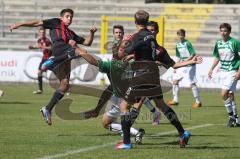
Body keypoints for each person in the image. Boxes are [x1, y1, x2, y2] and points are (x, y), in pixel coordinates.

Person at [76, 10, 202, 150]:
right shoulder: (156, 45)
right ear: (148, 23)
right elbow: (174, 65)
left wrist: (125, 43)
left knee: (124, 106)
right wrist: (192, 61)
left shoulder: (136, 37)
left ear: (135, 22)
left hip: (141, 74)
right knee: (161, 105)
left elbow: (120, 54)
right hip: (154, 75)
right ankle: (183, 132)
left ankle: (126, 142)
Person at [10, 8, 97, 125]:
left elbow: (87, 42)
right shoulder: (56, 22)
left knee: (65, 85)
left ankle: (47, 109)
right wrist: (20, 24)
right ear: (61, 17)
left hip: (65, 58)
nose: (69, 19)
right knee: (81, 51)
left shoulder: (71, 33)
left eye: (71, 17)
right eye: (67, 16)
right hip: (59, 50)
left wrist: (91, 33)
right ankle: (100, 65)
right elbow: (37, 23)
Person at [84, 25, 160, 126]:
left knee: (134, 94)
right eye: (116, 32)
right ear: (113, 34)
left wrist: (131, 56)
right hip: (119, 73)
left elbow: (135, 53)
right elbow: (116, 58)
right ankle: (100, 111)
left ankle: (148, 115)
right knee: (112, 92)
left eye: (120, 32)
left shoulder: (128, 42)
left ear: (123, 33)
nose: (118, 34)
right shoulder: (115, 44)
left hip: (129, 70)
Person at [208, 23, 240, 127]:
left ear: (229, 32)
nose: (223, 32)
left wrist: (239, 72)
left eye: (225, 31)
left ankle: (231, 117)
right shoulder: (218, 43)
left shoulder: (234, 43)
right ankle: (236, 118)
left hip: (233, 71)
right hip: (223, 72)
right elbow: (217, 57)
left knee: (223, 93)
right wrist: (211, 69)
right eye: (221, 30)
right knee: (230, 94)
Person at [168, 29, 202, 108]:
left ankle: (198, 102)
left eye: (182, 35)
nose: (180, 36)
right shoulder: (178, 45)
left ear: (184, 35)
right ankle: (175, 100)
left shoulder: (187, 43)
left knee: (192, 83)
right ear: (177, 36)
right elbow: (179, 56)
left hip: (190, 65)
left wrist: (186, 61)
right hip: (183, 65)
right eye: (179, 35)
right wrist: (176, 66)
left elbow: (193, 54)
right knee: (175, 81)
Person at [29, 27, 52, 94]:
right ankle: (40, 90)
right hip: (44, 58)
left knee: (57, 74)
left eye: (43, 32)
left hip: (50, 58)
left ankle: (66, 87)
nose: (42, 33)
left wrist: (45, 47)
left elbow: (52, 48)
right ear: (39, 33)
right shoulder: (39, 40)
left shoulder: (47, 40)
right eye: (41, 32)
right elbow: (38, 46)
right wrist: (32, 47)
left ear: (45, 33)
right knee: (39, 72)